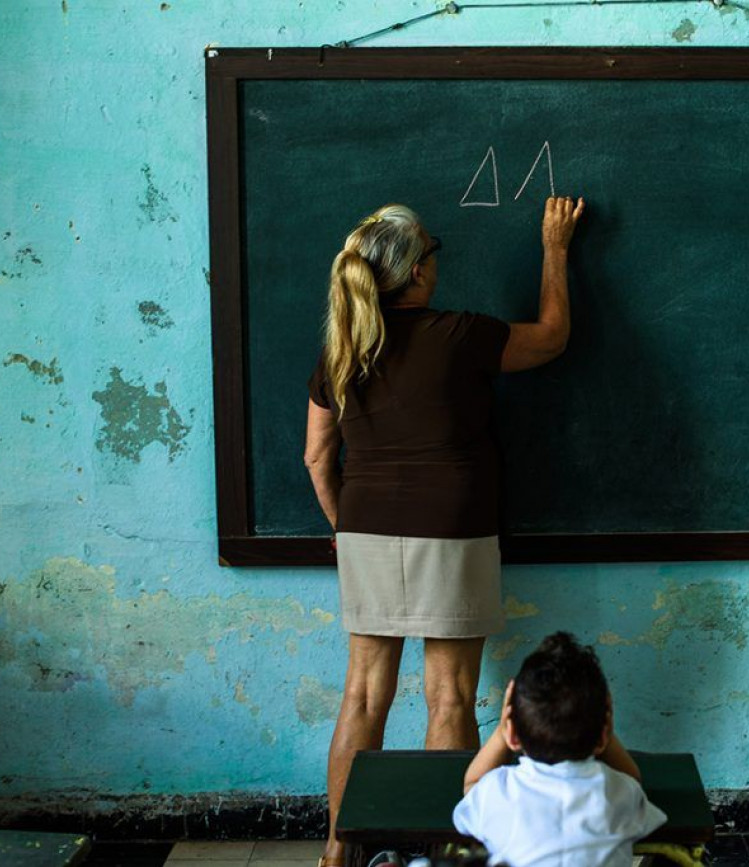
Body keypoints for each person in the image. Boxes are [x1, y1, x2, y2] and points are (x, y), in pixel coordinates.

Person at [304, 197, 586, 867]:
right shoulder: (460, 334)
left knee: (364, 691)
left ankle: (337, 854)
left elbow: (317, 457)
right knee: (450, 693)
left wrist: (349, 527)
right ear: (417, 274)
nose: (437, 261)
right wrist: (554, 247)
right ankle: (441, 850)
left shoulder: (343, 348)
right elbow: (551, 335)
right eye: (432, 251)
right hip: (453, 524)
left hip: (367, 524)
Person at [452, 632, 667, 867]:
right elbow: (632, 780)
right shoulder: (618, 792)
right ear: (604, 735)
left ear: (511, 735)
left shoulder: (496, 792)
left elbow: (471, 785)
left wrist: (504, 729)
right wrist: (604, 725)